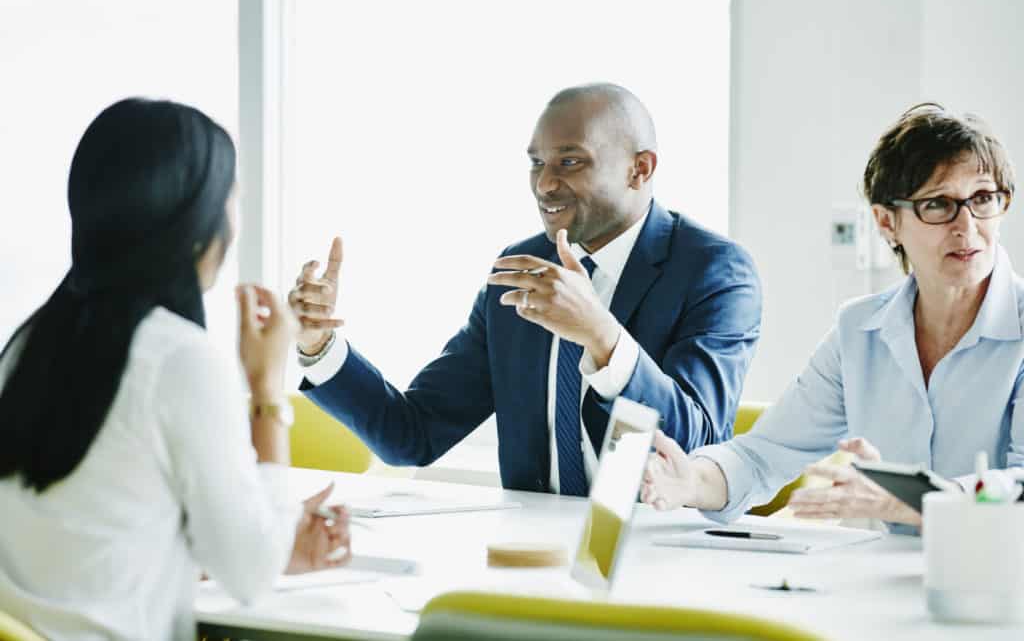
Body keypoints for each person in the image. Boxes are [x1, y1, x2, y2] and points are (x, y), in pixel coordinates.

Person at [288, 83, 762, 495]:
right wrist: (321, 346)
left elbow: (695, 449)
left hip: (658, 553)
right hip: (532, 552)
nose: (545, 184)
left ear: (640, 169)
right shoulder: (519, 272)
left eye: (570, 161)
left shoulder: (715, 271)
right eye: (536, 163)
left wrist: (603, 338)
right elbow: (412, 436)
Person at [0, 99, 351, 640]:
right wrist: (265, 389)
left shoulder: (29, 344)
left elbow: (88, 541)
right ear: (196, 220)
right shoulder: (179, 358)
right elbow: (252, 577)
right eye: (229, 201)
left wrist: (268, 532)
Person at [641, 103, 1021, 530]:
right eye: (938, 204)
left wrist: (904, 502)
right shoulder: (859, 330)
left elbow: (1019, 488)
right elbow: (762, 456)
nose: (967, 226)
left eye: (984, 198)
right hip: (872, 584)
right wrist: (690, 481)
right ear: (886, 221)